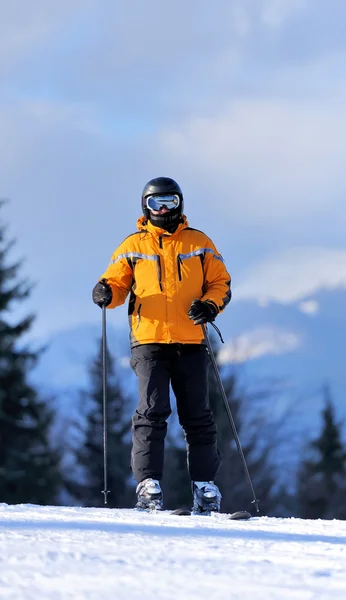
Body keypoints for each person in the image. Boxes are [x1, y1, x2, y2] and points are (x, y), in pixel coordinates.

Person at [92, 177, 231, 513]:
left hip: (191, 339)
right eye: (157, 203)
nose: (164, 209)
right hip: (149, 339)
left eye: (170, 201)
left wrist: (210, 306)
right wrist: (106, 292)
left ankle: (204, 486)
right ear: (145, 207)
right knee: (152, 412)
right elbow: (117, 282)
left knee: (197, 415)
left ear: (181, 204)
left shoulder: (199, 243)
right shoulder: (133, 246)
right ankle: (148, 484)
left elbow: (220, 283)